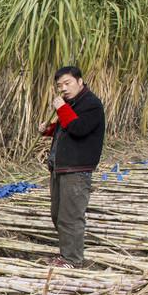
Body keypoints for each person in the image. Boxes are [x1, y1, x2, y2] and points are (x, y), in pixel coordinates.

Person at [38, 65, 105, 268]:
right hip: (60, 168)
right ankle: (66, 254)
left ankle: (73, 260)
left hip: (76, 170)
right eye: (60, 86)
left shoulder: (91, 104)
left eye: (68, 83)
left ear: (80, 81)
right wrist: (48, 129)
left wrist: (61, 108)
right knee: (58, 214)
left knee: (71, 216)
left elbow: (78, 129)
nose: (64, 89)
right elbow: (65, 128)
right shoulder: (72, 104)